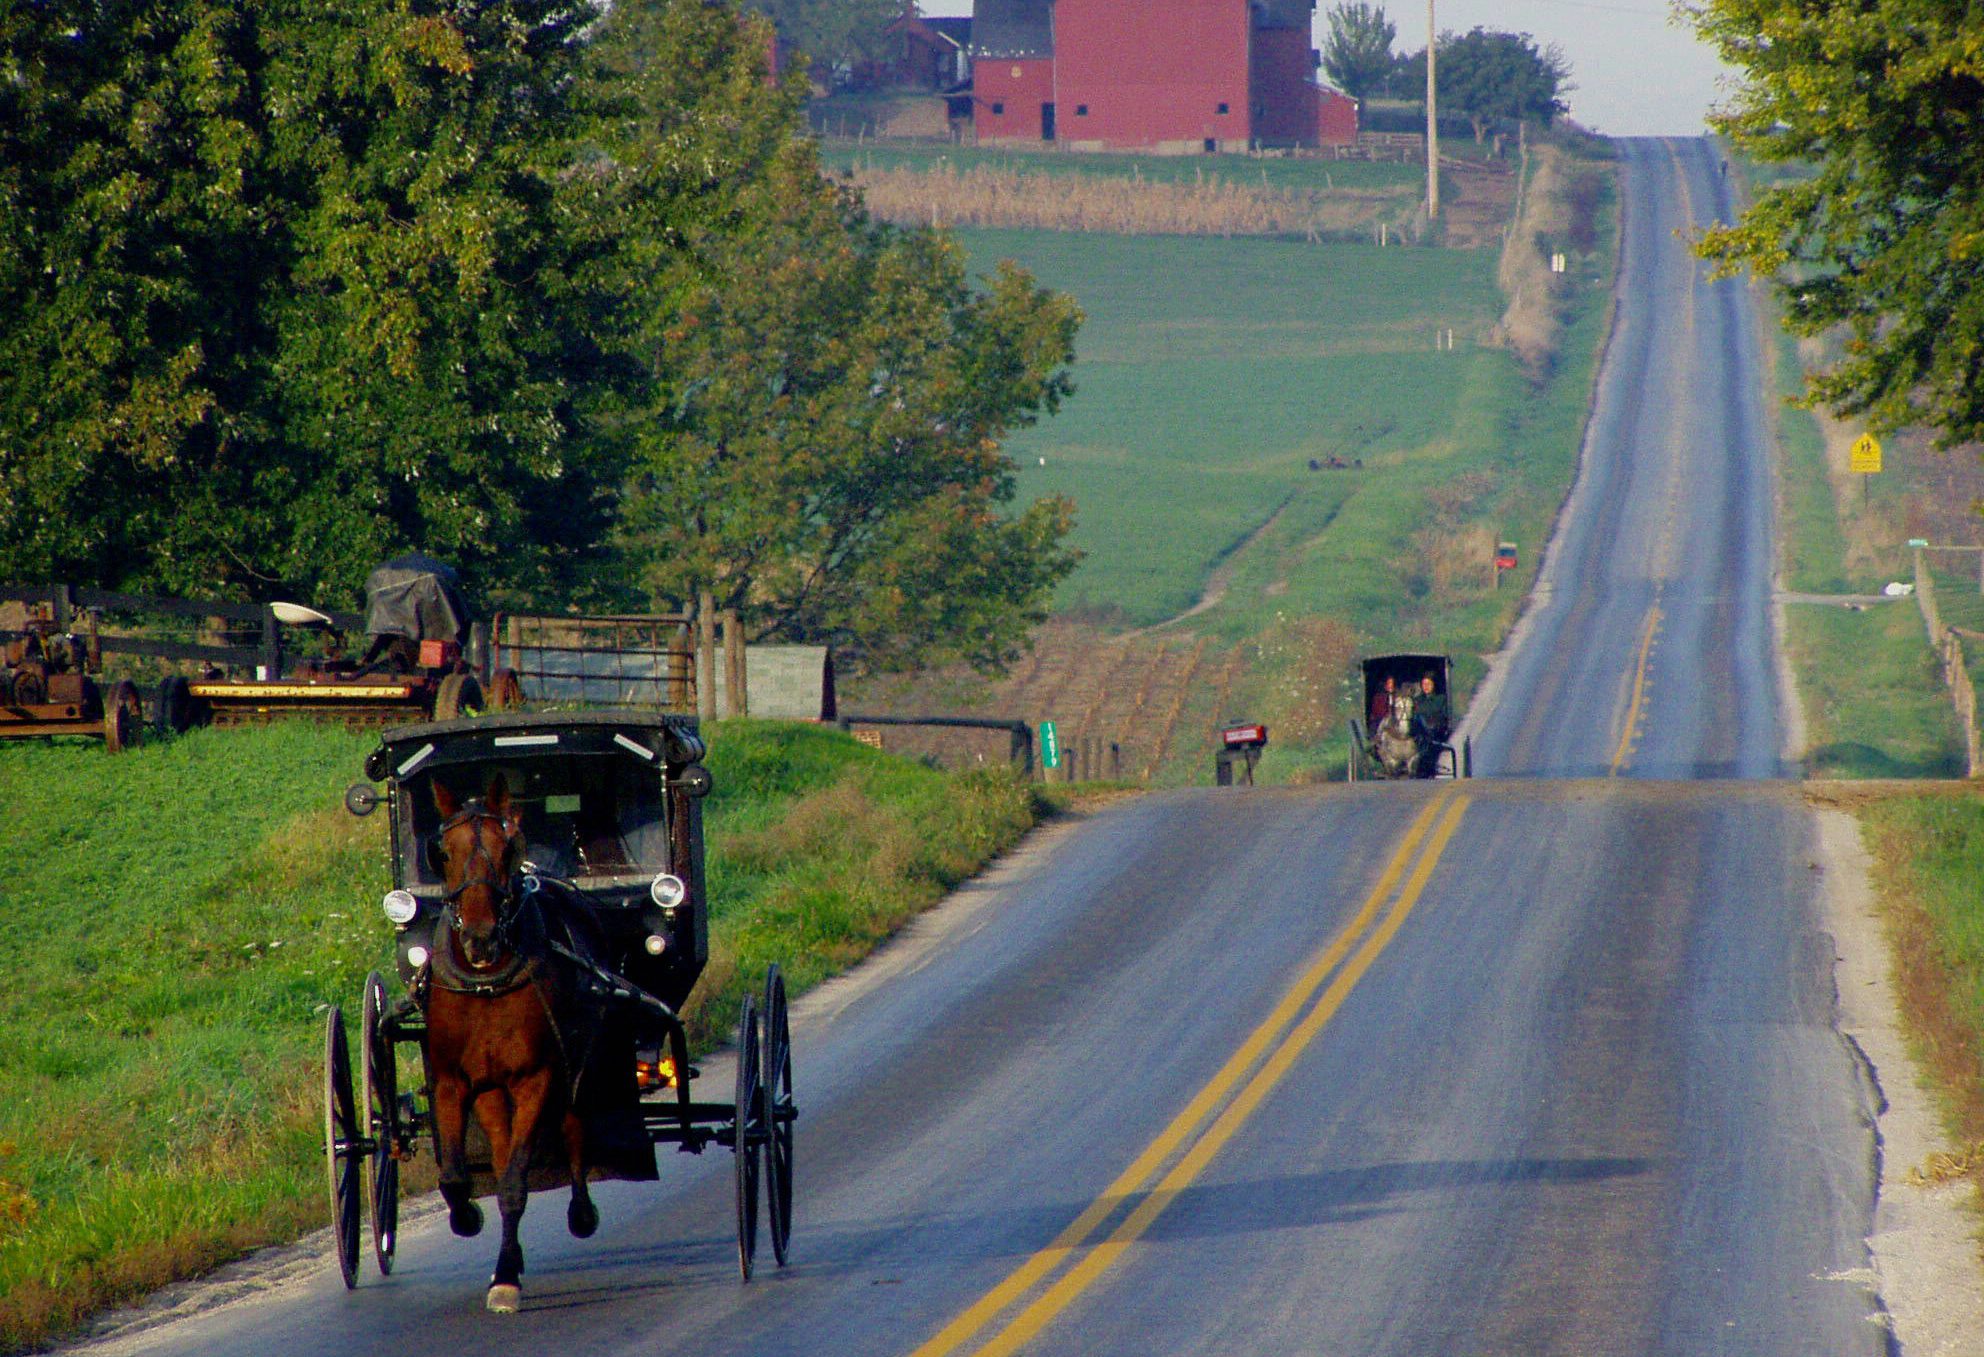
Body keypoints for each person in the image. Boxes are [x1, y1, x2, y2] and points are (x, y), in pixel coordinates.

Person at [1414, 673, 1449, 741]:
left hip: (1436, 733)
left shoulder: (1441, 699)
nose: (1426, 686)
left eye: (1429, 684)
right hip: (1420, 735)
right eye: (1424, 684)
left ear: (1434, 685)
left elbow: (1444, 717)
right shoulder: (1417, 700)